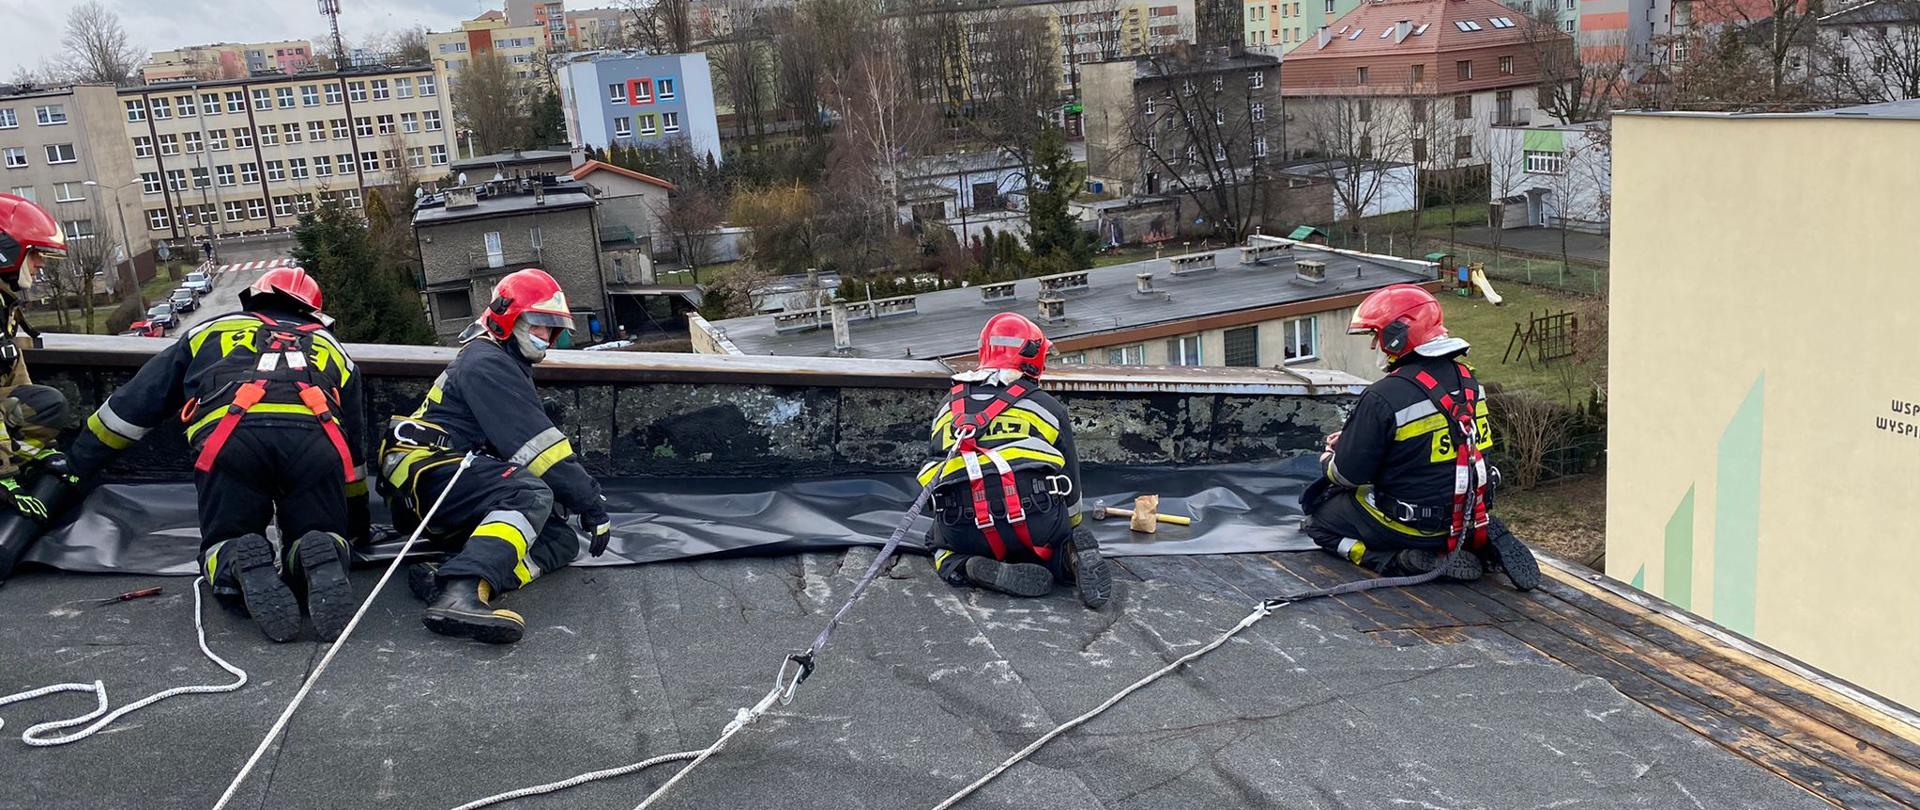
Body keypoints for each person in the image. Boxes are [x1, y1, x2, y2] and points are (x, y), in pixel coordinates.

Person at [69, 267, 369, 641]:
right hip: (315, 442)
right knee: (322, 531)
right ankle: (319, 548)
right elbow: (353, 453)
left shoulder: (209, 330)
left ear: (255, 298)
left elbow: (131, 407)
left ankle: (237, 558)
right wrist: (356, 526)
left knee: (226, 538)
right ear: (313, 312)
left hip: (232, 440)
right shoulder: (333, 348)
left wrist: (76, 465)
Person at [380, 268, 611, 645]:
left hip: (446, 479)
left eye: (552, 329)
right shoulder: (485, 361)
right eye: (538, 325)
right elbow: (538, 449)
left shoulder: (501, 361)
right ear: (508, 319)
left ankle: (451, 577)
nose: (546, 337)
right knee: (529, 494)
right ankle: (461, 594)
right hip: (429, 471)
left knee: (559, 540)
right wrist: (590, 503)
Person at [1299, 283, 1539, 590]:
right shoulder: (1470, 383)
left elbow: (1348, 475)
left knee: (1319, 522)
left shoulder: (1383, 395)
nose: (1373, 346)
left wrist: (1329, 459)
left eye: (1376, 336)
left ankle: (1394, 560)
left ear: (1397, 336)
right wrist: (1356, 440)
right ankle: (1476, 542)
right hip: (1466, 515)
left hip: (1412, 527)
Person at [917, 313, 1111, 609]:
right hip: (1035, 517)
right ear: (1035, 357)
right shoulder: (1047, 406)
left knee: (936, 543)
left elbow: (936, 474)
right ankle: (1066, 558)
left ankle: (967, 566)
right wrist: (1069, 527)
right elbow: (1070, 479)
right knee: (1053, 543)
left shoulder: (948, 406)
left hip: (963, 524)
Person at [0, 195, 79, 530]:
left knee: (47, 404)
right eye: (35, 253)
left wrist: (42, 448)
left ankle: (22, 456)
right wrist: (4, 474)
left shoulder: (4, 304)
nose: (41, 264)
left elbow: (14, 377)